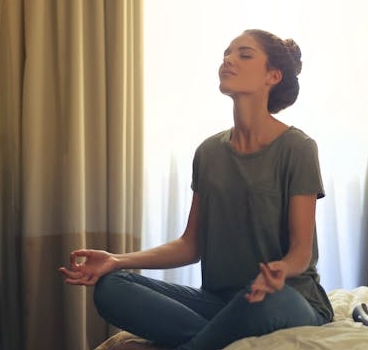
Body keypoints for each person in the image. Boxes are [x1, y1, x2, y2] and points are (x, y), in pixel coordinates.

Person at [59, 28, 333, 350]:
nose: (228, 60)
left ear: (273, 76)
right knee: (112, 287)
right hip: (219, 303)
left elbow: (301, 252)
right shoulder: (209, 152)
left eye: (244, 54)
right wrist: (116, 260)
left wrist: (280, 269)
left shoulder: (297, 148)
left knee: (263, 302)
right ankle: (214, 338)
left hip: (286, 298)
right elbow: (191, 245)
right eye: (226, 54)